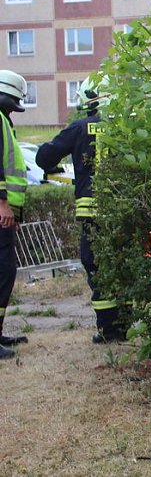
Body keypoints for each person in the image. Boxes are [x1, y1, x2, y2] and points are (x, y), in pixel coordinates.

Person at [37, 74, 123, 344]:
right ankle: (127, 324)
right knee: (123, 263)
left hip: (92, 213)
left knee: (96, 264)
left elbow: (44, 157)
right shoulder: (125, 127)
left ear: (89, 98)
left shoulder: (80, 127)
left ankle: (109, 330)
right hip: (123, 211)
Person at [0, 70, 31, 359]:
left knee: (6, 271)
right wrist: (3, 204)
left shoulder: (3, 121)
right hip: (0, 210)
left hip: (5, 214)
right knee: (2, 271)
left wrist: (14, 213)